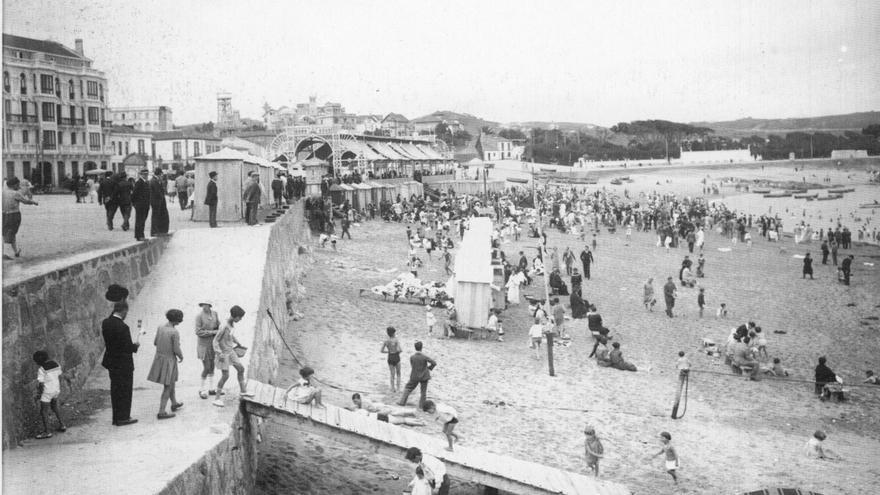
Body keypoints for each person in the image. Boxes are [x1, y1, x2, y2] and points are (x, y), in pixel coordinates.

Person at [101, 301, 142, 426]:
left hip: (112, 362)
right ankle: (123, 417)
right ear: (123, 311)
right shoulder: (123, 327)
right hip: (123, 364)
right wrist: (135, 346)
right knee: (125, 390)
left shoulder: (106, 322)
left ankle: (116, 417)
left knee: (115, 390)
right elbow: (127, 347)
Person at [212, 305, 253, 406]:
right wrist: (218, 353)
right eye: (240, 317)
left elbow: (231, 335)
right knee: (225, 376)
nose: (241, 319)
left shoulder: (231, 324)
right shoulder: (224, 326)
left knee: (241, 369)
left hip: (231, 351)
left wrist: (238, 342)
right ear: (235, 316)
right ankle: (217, 398)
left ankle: (243, 391)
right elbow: (215, 340)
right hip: (223, 353)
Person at [147, 309, 185, 419]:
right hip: (169, 360)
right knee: (168, 386)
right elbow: (176, 349)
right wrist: (181, 356)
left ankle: (174, 403)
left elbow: (155, 342)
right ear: (176, 320)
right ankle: (161, 411)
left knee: (171, 382)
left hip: (159, 358)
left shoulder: (160, 327)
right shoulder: (174, 332)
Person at [32, 350, 66, 439]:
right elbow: (60, 377)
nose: (36, 363)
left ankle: (47, 432)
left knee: (44, 411)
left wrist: (39, 395)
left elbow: (41, 384)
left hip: (47, 392)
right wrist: (57, 387)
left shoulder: (42, 369)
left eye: (36, 361)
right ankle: (62, 425)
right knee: (55, 407)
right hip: (56, 390)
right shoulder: (56, 364)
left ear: (39, 360)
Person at [3, 177, 39, 260]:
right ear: (14, 185)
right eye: (17, 185)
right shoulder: (15, 193)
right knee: (11, 232)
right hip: (14, 214)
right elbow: (25, 201)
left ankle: (16, 251)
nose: (19, 186)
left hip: (3, 214)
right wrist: (34, 202)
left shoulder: (3, 192)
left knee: (7, 232)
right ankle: (5, 253)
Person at [397, 341, 437, 408]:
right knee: (423, 392)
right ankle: (422, 406)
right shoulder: (424, 356)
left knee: (408, 388)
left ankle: (402, 401)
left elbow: (412, 366)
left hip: (415, 375)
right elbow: (434, 363)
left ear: (415, 348)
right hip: (424, 375)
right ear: (422, 347)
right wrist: (429, 368)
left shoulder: (412, 357)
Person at [195, 302, 220, 399]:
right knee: (206, 367)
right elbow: (198, 331)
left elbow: (218, 325)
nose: (204, 307)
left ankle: (211, 388)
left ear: (210, 305)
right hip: (203, 345)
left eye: (206, 304)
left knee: (212, 366)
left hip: (212, 344)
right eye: (202, 305)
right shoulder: (199, 316)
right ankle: (202, 389)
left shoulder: (215, 313)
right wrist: (212, 332)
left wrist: (220, 330)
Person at [381, 326, 402, 392]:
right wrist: (398, 351)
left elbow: (382, 350)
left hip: (390, 356)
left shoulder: (386, 341)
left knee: (392, 374)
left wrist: (388, 351)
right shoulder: (396, 340)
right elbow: (400, 349)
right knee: (398, 373)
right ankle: (398, 388)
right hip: (396, 356)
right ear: (393, 333)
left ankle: (392, 388)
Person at [149, 168, 170, 236]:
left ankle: (160, 230)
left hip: (159, 201)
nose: (162, 176)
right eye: (161, 174)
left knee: (160, 216)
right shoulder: (154, 181)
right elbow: (157, 192)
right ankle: (154, 231)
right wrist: (161, 197)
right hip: (156, 201)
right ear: (159, 174)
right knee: (155, 216)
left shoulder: (157, 180)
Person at [132, 169, 151, 241]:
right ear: (141, 174)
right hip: (140, 205)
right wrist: (135, 204)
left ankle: (140, 235)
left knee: (143, 220)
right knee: (140, 220)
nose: (146, 175)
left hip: (145, 205)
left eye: (147, 174)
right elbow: (134, 194)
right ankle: (139, 236)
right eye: (144, 174)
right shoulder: (139, 183)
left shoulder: (146, 182)